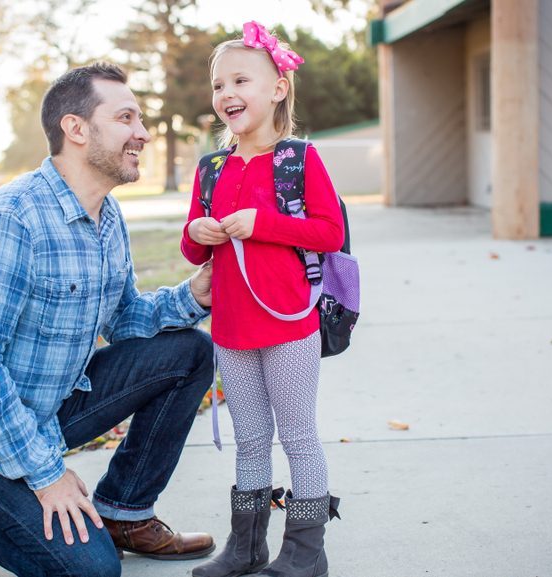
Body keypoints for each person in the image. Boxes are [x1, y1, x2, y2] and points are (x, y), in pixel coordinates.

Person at [0, 62, 217, 577]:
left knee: (190, 351)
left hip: (49, 406)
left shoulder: (106, 215)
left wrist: (196, 294)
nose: (142, 133)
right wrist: (46, 474)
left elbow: (125, 321)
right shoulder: (12, 220)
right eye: (126, 118)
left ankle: (125, 512)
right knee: (92, 571)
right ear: (76, 129)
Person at [181, 22, 344, 577]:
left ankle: (306, 552)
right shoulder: (211, 169)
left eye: (240, 80)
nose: (227, 93)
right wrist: (198, 233)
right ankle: (246, 547)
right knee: (250, 440)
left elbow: (328, 232)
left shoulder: (298, 159)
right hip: (231, 329)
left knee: (298, 436)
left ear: (277, 88)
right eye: (218, 84)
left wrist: (263, 224)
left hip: (290, 326)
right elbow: (191, 249)